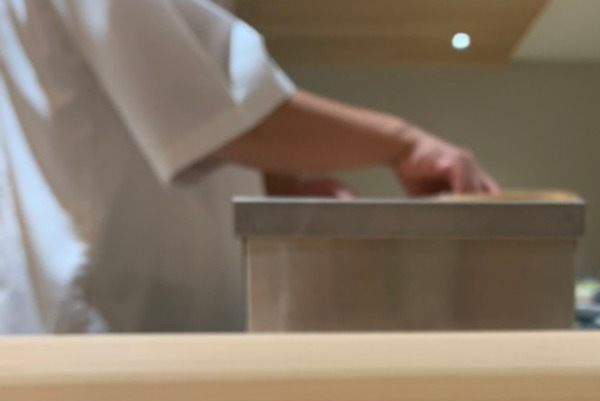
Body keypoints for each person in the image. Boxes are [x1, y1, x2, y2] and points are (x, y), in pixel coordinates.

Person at [0, 1, 497, 334]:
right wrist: (404, 143)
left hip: (135, 305)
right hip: (103, 311)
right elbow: (218, 113)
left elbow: (178, 123)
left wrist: (280, 186)